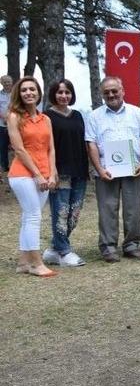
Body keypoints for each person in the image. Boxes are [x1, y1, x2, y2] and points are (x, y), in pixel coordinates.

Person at [85, 76, 140, 262]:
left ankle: (132, 245)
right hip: (106, 171)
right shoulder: (94, 116)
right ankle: (108, 247)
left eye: (114, 91)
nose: (111, 95)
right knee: (107, 209)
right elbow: (91, 144)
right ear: (102, 95)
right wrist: (99, 169)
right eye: (106, 92)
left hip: (135, 169)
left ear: (122, 91)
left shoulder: (137, 113)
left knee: (134, 209)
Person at [6, 76, 58, 276]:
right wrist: (37, 175)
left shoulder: (46, 119)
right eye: (24, 90)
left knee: (29, 216)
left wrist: (52, 173)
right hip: (22, 174)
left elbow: (51, 149)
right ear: (19, 94)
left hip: (44, 175)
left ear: (38, 93)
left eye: (32, 89)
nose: (28, 93)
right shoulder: (14, 117)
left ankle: (23, 263)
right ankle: (36, 264)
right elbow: (19, 149)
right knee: (34, 216)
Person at [43, 79, 88, 267]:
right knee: (61, 213)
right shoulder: (46, 116)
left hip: (79, 170)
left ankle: (54, 250)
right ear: (53, 94)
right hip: (59, 171)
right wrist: (50, 171)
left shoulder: (77, 115)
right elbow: (45, 146)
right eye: (60, 92)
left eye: (67, 92)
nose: (63, 96)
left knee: (74, 214)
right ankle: (64, 252)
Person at [0, 74, 13, 174]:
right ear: (1, 83)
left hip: (15, 124)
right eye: (5, 82)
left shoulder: (16, 94)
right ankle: (4, 166)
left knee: (17, 145)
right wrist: (3, 117)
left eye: (8, 82)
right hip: (2, 124)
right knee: (3, 146)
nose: (7, 84)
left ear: (11, 82)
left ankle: (18, 166)